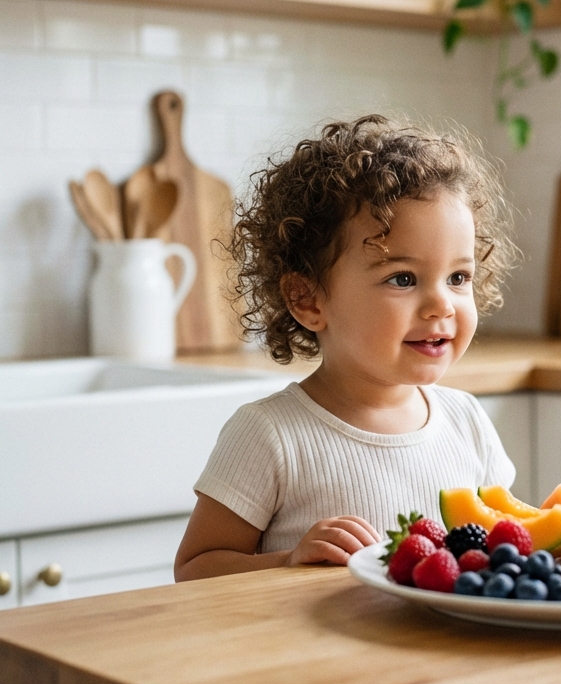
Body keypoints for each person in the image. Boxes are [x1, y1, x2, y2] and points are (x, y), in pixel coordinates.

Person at [174, 115, 519, 580]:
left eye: (458, 277)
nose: (443, 303)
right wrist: (289, 560)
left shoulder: (468, 420)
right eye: (403, 279)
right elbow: (194, 568)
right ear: (308, 299)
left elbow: (506, 538)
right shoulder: (269, 435)